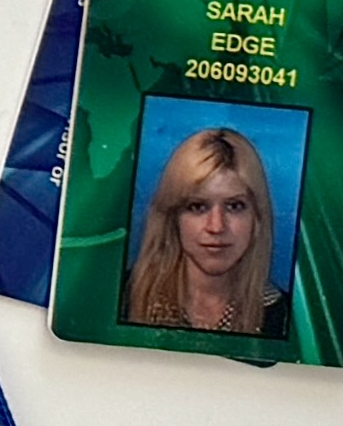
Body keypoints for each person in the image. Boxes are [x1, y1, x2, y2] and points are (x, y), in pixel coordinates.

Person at [121, 125, 289, 339]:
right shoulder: (122, 296)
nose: (216, 227)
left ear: (257, 216)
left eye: (234, 206)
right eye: (197, 206)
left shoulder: (287, 318)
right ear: (172, 216)